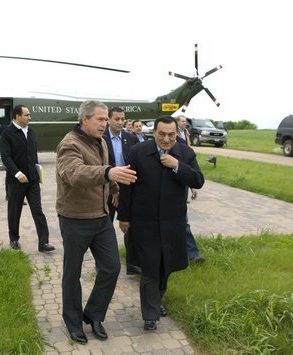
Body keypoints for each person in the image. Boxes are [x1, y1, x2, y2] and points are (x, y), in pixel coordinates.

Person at [56, 100, 137, 344]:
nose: (105, 124)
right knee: (73, 273)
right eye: (100, 119)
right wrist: (108, 173)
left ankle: (93, 314)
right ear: (85, 120)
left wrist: (112, 187)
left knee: (112, 267)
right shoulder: (69, 144)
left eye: (106, 119)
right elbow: (74, 174)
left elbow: (103, 170)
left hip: (101, 217)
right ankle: (72, 322)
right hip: (75, 219)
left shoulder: (100, 142)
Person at [118, 115, 204, 331]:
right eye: (161, 134)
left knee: (165, 266)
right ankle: (150, 315)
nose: (166, 139)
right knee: (149, 268)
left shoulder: (185, 153)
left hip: (172, 223)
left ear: (176, 133)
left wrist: (177, 166)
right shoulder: (138, 152)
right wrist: (124, 217)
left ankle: (156, 302)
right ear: (153, 132)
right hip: (144, 222)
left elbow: (198, 180)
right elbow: (127, 186)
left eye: (171, 135)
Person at [0, 104, 54, 252]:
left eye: (29, 115)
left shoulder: (31, 132)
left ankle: (43, 242)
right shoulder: (7, 134)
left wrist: (38, 171)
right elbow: (6, 157)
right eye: (26, 115)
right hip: (16, 182)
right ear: (17, 116)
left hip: (33, 180)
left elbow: (33, 155)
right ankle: (14, 239)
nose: (29, 117)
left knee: (38, 211)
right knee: (14, 211)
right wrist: (17, 173)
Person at [102, 107, 140, 275]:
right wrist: (113, 188)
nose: (119, 122)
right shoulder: (100, 138)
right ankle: (103, 263)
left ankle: (132, 263)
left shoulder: (130, 138)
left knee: (131, 227)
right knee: (105, 227)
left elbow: (138, 164)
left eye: (122, 119)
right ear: (108, 120)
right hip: (106, 187)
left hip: (128, 189)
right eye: (116, 119)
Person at [176, 115, 205, 264]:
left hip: (180, 190)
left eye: (184, 121)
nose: (184, 123)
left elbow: (192, 170)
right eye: (181, 121)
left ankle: (192, 254)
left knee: (183, 223)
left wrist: (192, 185)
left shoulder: (183, 141)